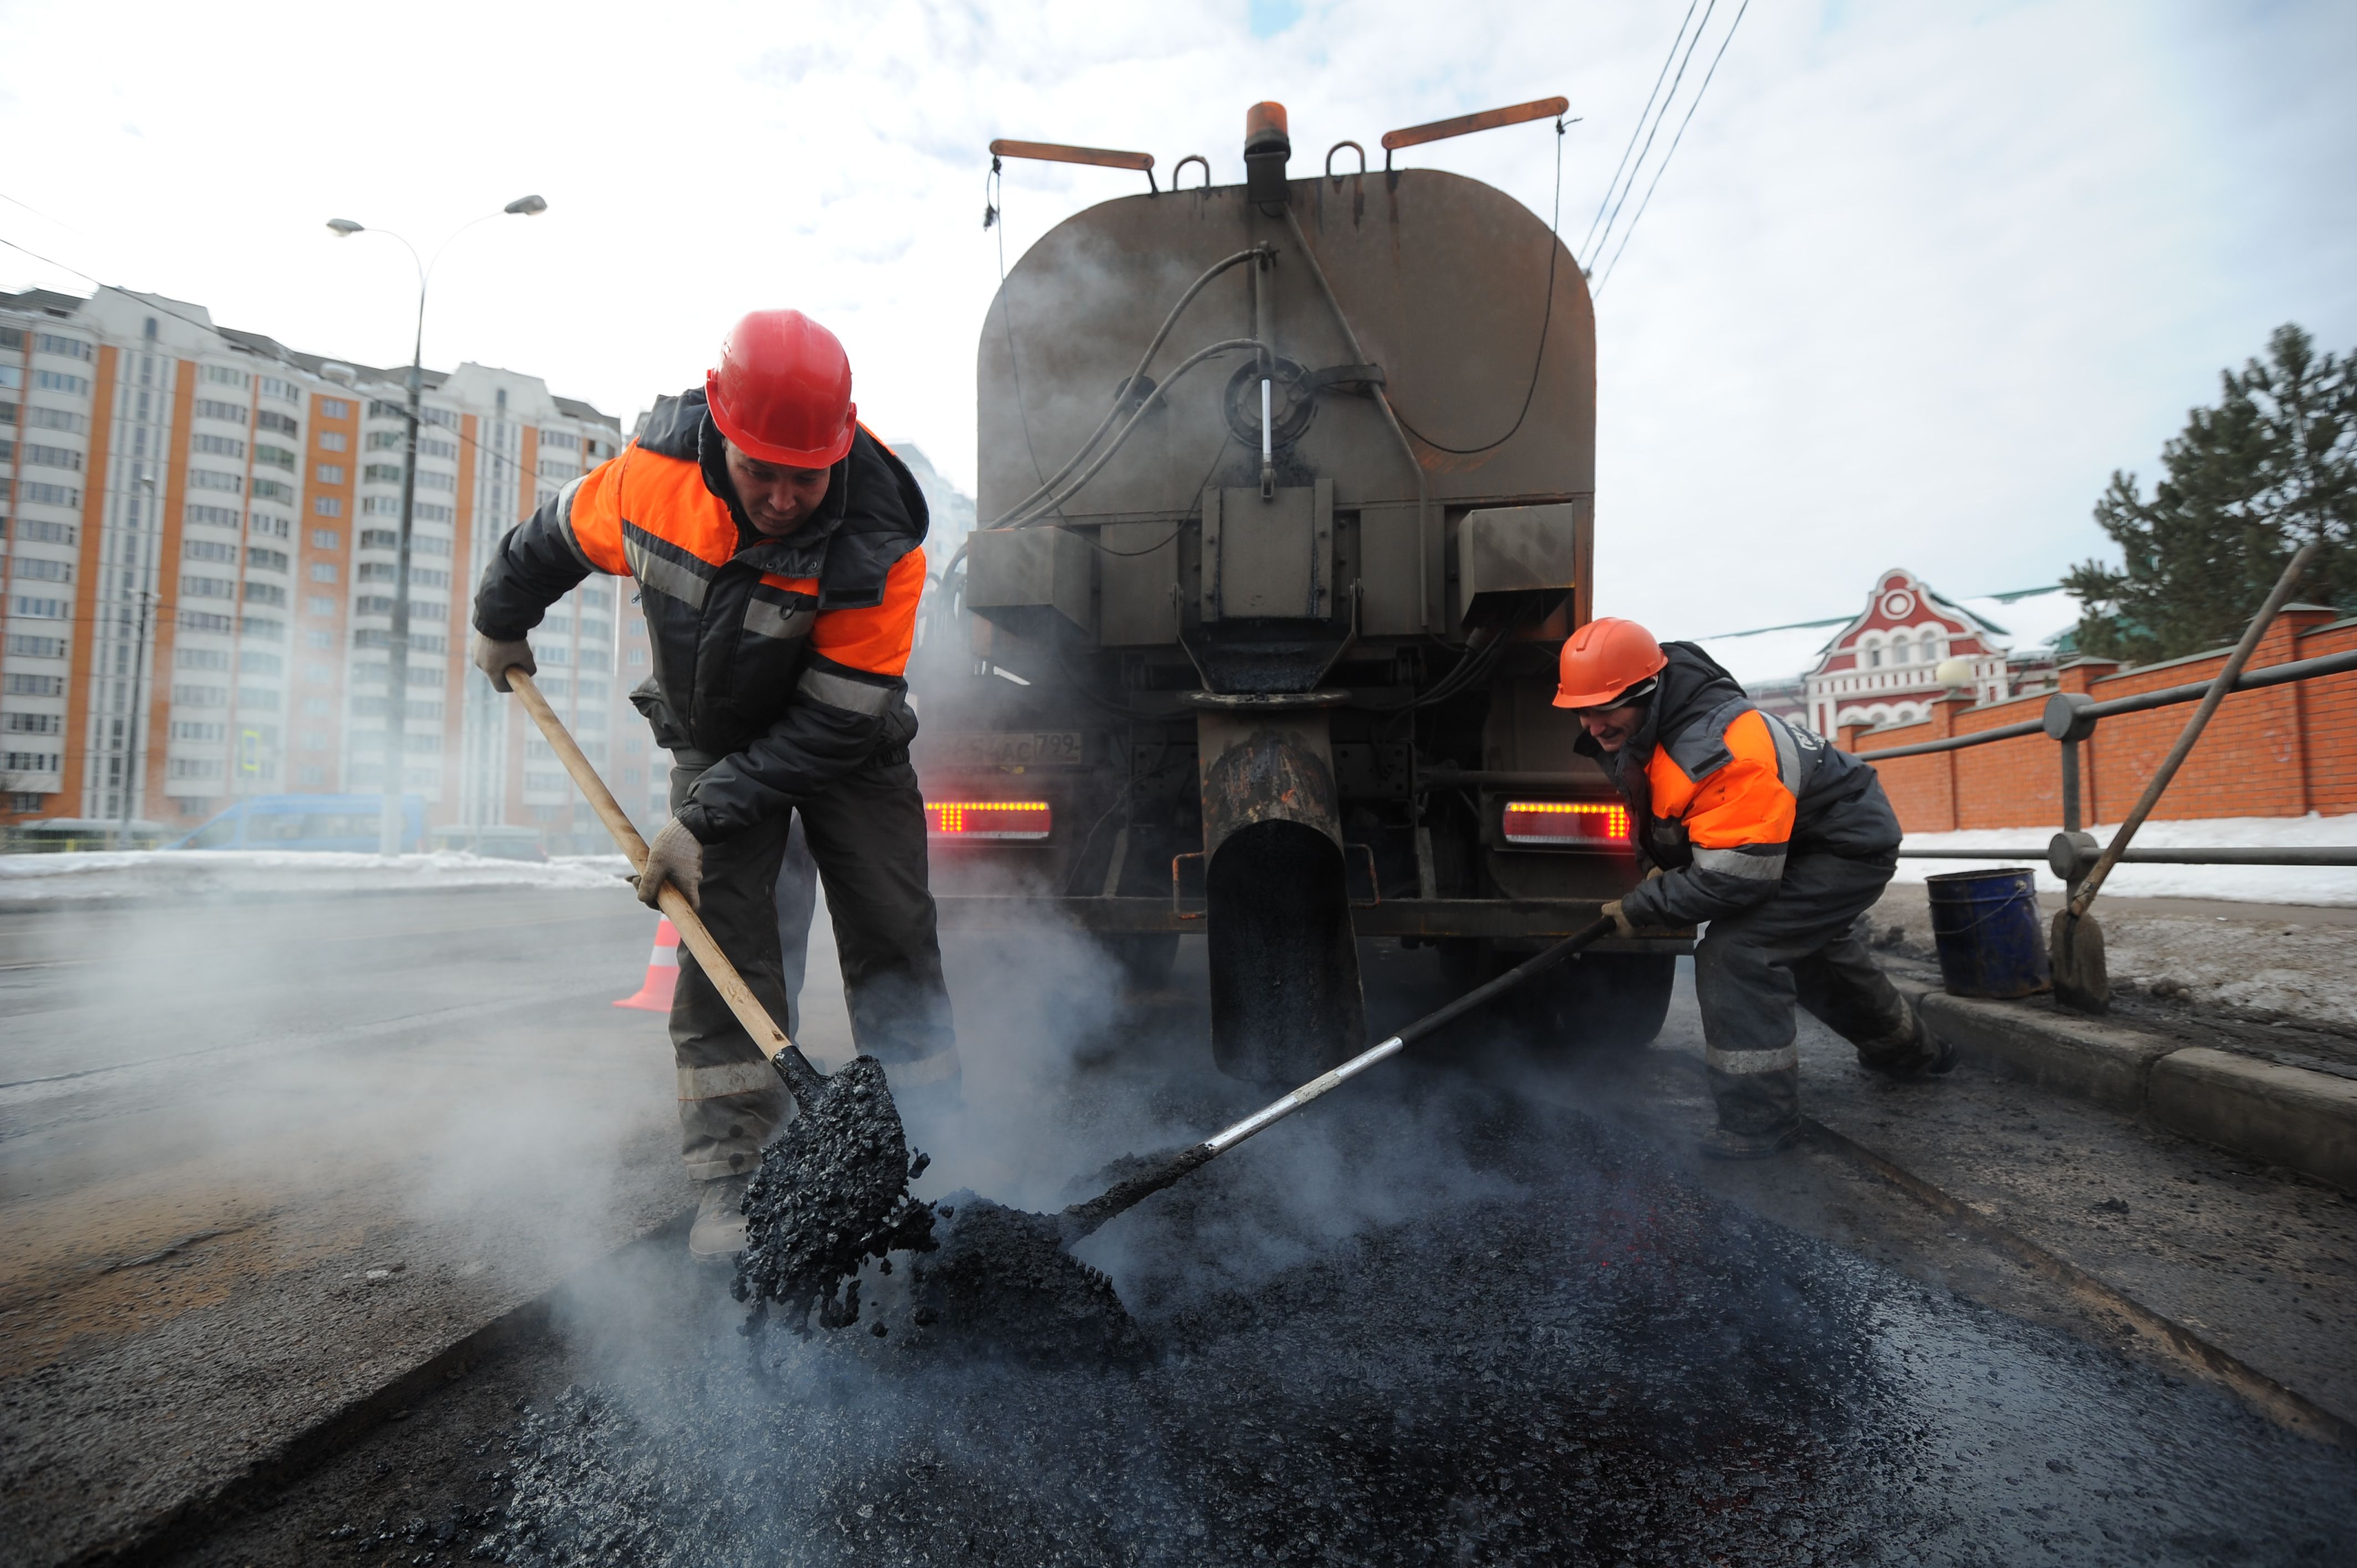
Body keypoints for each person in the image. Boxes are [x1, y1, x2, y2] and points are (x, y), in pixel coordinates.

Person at [471, 308, 959, 1259]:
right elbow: (545, 542)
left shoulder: (884, 540)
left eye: (803, 474)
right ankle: (734, 1184)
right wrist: (500, 616)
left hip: (845, 746)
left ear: (843, 445)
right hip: (714, 729)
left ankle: (935, 1146)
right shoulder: (651, 481)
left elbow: (833, 719)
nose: (781, 496)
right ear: (721, 439)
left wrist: (701, 815)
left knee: (894, 931)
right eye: (759, 470)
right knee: (726, 945)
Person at [1557, 617, 1951, 1158]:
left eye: (1604, 709)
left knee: (1737, 952)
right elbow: (1679, 819)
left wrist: (1646, 903)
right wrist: (1659, 868)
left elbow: (1734, 877)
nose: (1592, 724)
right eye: (1581, 709)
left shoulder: (1717, 747)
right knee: (1810, 948)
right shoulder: (1652, 730)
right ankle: (1911, 1054)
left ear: (1646, 691)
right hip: (1787, 841)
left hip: (1839, 847)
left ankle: (1760, 1121)